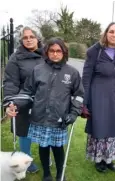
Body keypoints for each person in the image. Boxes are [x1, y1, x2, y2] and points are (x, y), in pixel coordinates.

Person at [8, 38, 84, 181]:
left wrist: (74, 112)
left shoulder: (72, 73)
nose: (55, 54)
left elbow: (79, 95)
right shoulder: (38, 70)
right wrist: (15, 104)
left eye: (58, 51)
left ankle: (60, 173)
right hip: (40, 116)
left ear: (64, 52)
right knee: (43, 146)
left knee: (57, 147)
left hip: (60, 118)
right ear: (47, 52)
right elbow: (27, 91)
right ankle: (47, 173)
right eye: (52, 51)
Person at [82, 22, 115, 173]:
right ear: (105, 34)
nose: (114, 35)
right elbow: (86, 78)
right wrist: (84, 102)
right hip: (99, 97)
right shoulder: (94, 51)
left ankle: (109, 159)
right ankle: (99, 160)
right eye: (111, 32)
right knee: (100, 126)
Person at [3, 26, 44, 173]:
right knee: (25, 131)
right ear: (21, 41)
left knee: (44, 129)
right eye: (25, 38)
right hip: (23, 99)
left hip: (44, 100)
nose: (28, 40)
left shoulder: (47, 54)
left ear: (37, 38)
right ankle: (26, 159)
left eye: (31, 37)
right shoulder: (16, 57)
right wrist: (9, 102)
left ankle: (45, 156)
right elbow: (10, 81)